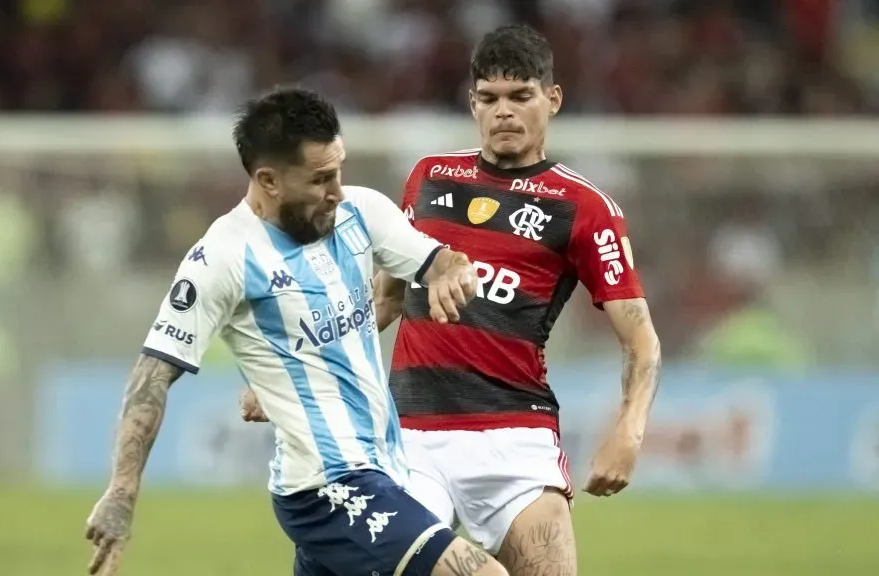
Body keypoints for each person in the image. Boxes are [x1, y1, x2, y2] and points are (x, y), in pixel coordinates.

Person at [241, 26, 662, 576]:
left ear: (552, 100)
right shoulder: (429, 179)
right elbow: (380, 303)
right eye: (489, 98)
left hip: (516, 438)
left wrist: (628, 431)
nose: (503, 112)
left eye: (520, 96)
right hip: (409, 434)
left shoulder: (583, 206)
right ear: (472, 103)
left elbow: (641, 338)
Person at [84, 87, 512, 576]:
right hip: (325, 488)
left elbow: (436, 261)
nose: (337, 190)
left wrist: (453, 272)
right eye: (321, 179)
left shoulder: (360, 213)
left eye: (339, 170)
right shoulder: (223, 257)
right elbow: (151, 376)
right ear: (268, 180)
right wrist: (121, 493)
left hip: (386, 469)